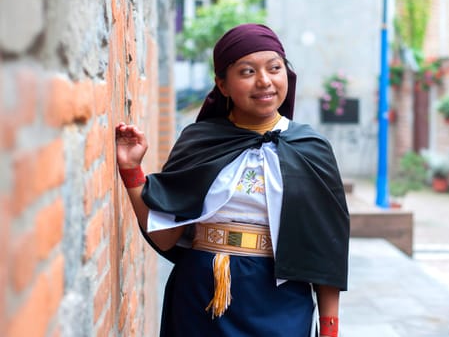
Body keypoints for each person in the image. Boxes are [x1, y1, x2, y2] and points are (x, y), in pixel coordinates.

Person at [115, 23, 349, 337]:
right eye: (247, 71)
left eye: (274, 68)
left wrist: (330, 327)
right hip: (202, 295)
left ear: (287, 76)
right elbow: (165, 237)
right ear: (222, 85)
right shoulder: (200, 141)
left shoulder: (311, 148)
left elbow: (326, 249)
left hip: (281, 299)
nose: (264, 81)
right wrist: (132, 172)